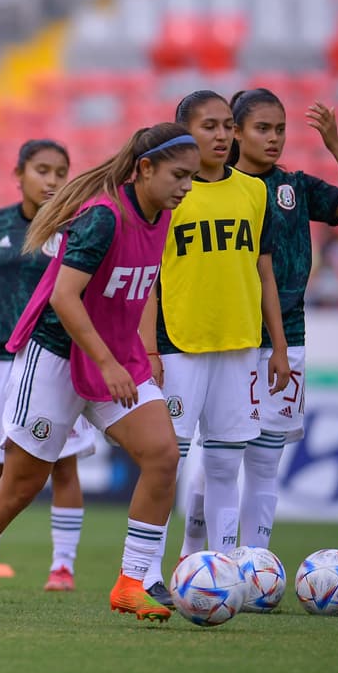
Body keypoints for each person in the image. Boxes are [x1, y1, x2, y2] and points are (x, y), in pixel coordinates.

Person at [0, 123, 197, 624]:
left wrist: (142, 351)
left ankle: (131, 582)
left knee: (163, 454)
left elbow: (142, 288)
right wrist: (110, 362)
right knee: (19, 487)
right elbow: (63, 297)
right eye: (179, 175)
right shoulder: (102, 218)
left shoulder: (162, 216)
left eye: (192, 177)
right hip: (55, 359)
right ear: (144, 169)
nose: (186, 186)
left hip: (112, 358)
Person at [206, 90, 338, 550]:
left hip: (289, 337)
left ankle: (256, 563)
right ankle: (204, 558)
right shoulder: (211, 189)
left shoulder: (296, 188)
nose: (275, 138)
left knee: (265, 461)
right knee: (220, 460)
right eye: (263, 128)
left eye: (280, 129)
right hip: (230, 338)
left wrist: (335, 144)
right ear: (237, 132)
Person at [139, 90, 291, 605]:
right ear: (183, 133)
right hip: (180, 344)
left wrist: (278, 346)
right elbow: (149, 277)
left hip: (241, 344)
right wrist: (148, 348)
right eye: (210, 126)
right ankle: (148, 574)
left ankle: (224, 571)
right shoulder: (169, 195)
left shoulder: (254, 192)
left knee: (227, 462)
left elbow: (263, 271)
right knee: (169, 462)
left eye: (228, 125)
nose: (223, 135)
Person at [0, 139, 95, 592]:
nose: (52, 180)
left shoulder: (79, 226)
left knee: (63, 466)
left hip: (51, 358)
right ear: (19, 174)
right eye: (42, 170)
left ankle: (62, 567)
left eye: (60, 171)